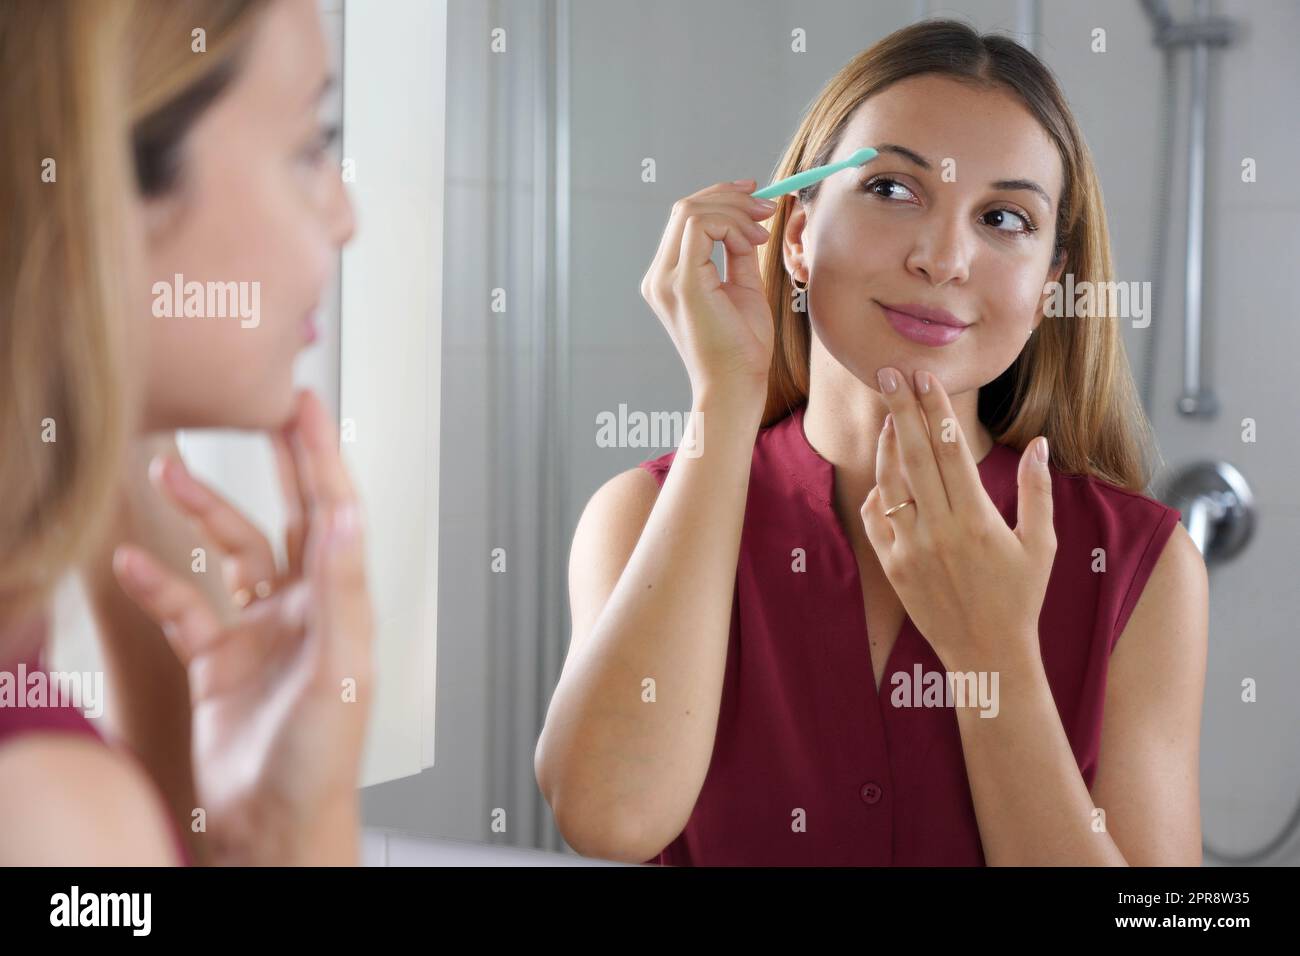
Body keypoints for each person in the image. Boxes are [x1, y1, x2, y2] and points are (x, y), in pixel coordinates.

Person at [536, 19, 1209, 866]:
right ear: (798, 236)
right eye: (893, 189)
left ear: (1049, 290)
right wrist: (725, 394)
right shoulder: (639, 515)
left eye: (1004, 217)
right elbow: (608, 819)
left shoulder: (1141, 566)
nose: (943, 257)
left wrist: (990, 653)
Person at [0, 0, 371, 865]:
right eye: (312, 145)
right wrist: (301, 837)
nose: (345, 216)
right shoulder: (57, 820)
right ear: (104, 182)